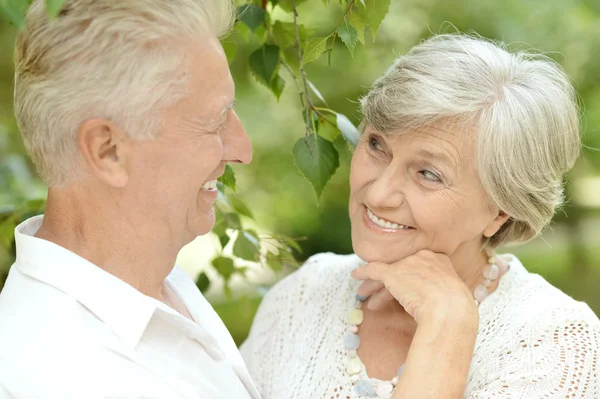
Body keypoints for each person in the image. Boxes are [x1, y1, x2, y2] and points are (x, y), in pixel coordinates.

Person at [240, 34, 600, 398]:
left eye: (428, 174)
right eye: (377, 145)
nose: (378, 194)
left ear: (500, 211)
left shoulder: (556, 344)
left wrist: (448, 326)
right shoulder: (304, 296)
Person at [0, 1, 261, 398]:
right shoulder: (60, 374)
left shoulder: (152, 279)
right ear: (108, 151)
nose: (243, 148)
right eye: (214, 120)